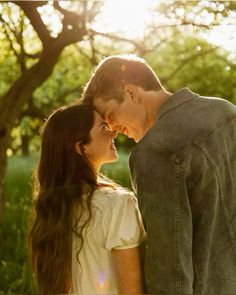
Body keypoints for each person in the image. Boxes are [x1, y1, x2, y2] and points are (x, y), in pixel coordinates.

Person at [82, 54, 236, 295]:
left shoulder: (153, 152)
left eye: (110, 115)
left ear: (131, 93)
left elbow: (169, 267)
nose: (112, 129)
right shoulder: (227, 111)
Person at [28, 103, 146, 295]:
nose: (113, 133)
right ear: (81, 148)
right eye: (103, 128)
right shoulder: (118, 204)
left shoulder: (53, 209)